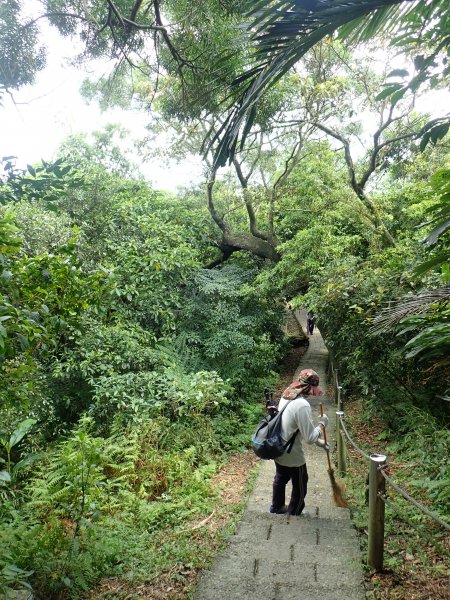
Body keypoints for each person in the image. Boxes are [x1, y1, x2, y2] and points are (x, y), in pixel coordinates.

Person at [269, 370, 328, 516]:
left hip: (278, 445)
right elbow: (309, 437)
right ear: (308, 388)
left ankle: (276, 507)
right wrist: (322, 425)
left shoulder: (287, 394)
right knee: (301, 481)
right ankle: (294, 511)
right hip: (292, 452)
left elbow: (295, 425)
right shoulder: (302, 405)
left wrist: (319, 442)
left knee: (281, 477)